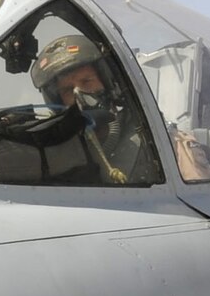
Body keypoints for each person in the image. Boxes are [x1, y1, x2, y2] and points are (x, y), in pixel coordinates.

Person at [22, 33, 171, 185]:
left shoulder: (153, 138)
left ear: (106, 82)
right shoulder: (53, 154)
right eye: (67, 90)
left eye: (87, 81)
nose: (78, 93)